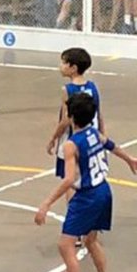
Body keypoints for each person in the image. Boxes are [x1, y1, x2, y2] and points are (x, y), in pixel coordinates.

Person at [35, 93, 137, 272]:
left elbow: (68, 179)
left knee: (65, 245)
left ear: (71, 117)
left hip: (87, 197)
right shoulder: (94, 133)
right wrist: (130, 159)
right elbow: (111, 146)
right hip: (104, 191)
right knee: (91, 240)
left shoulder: (71, 144)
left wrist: (46, 203)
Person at [46, 47, 105, 179]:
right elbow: (99, 114)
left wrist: (53, 138)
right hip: (90, 137)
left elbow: (66, 120)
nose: (60, 66)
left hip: (72, 137)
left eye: (63, 63)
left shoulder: (68, 89)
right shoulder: (92, 86)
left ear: (73, 68)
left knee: (70, 178)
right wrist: (102, 135)